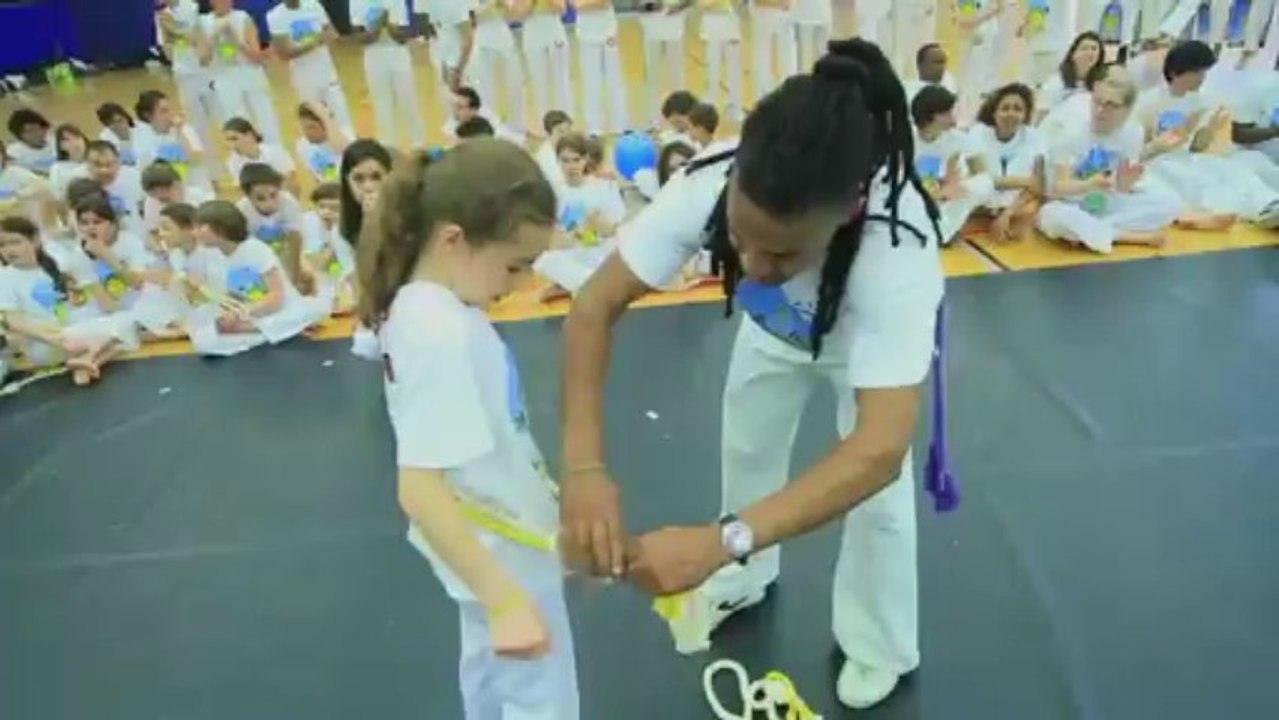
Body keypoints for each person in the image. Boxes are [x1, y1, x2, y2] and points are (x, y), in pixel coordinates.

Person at [558, 38, 942, 711]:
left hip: (859, 345)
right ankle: (742, 576)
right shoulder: (708, 182)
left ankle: (878, 642)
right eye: (740, 238)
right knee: (746, 447)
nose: (756, 266)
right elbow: (592, 308)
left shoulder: (895, 247)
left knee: (877, 504)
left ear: (847, 213)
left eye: (783, 254)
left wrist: (719, 539)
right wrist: (583, 468)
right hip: (773, 331)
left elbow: (879, 450)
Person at [354, 139, 577, 719]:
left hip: (496, 546)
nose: (521, 284)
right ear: (453, 240)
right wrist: (504, 599)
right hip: (502, 560)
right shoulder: (440, 333)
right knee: (542, 702)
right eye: (514, 265)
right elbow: (419, 488)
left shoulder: (424, 311)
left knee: (490, 681)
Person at [1134, 40, 1279, 227]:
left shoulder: (1199, 102)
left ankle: (1269, 204)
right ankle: (1244, 212)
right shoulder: (1148, 101)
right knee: (1198, 181)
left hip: (1187, 158)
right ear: (1176, 71)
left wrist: (1209, 130)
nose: (1202, 78)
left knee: (1231, 169)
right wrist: (1160, 145)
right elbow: (1136, 151)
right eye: (1197, 72)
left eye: (1204, 72)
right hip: (1157, 162)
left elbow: (1196, 147)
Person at [1036, 67, 1180, 252]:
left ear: (1127, 110)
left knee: (1169, 202)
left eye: (1111, 105)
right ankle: (1126, 236)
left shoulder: (1134, 132)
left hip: (1107, 203)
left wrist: (1125, 184)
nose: (1100, 110)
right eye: (1097, 101)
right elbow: (1057, 189)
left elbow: (1120, 187)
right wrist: (1088, 185)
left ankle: (1091, 232)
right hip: (1071, 203)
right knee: (1053, 217)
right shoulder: (1069, 132)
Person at [0, 216, 138, 385]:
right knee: (121, 333)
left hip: (73, 333)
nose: (8, 250)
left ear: (35, 240)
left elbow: (76, 304)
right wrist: (58, 340)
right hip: (46, 344)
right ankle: (90, 358)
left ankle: (88, 362)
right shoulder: (4, 277)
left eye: (15, 242)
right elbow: (14, 322)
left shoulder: (56, 264)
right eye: (2, 245)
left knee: (126, 321)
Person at [186, 200, 325, 356]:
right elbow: (238, 294)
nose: (194, 233)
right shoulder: (213, 254)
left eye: (200, 227)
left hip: (279, 312)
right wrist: (231, 315)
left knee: (212, 340)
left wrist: (242, 314)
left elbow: (276, 297)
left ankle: (274, 331)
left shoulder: (254, 249)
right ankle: (267, 333)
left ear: (221, 228)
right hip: (253, 315)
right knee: (203, 340)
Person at [533, 132, 627, 295]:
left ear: (585, 159)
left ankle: (576, 285)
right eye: (565, 160)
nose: (571, 166)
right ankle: (589, 284)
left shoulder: (605, 187)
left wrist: (598, 226)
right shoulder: (553, 193)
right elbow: (553, 241)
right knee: (542, 261)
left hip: (601, 251)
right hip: (573, 253)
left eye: (576, 160)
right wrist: (573, 236)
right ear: (557, 161)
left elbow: (617, 230)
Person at [912, 85, 996, 243]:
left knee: (981, 185)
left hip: (946, 198)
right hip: (914, 198)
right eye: (946, 113)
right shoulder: (906, 139)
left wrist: (957, 186)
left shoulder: (957, 138)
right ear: (929, 115)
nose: (953, 120)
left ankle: (941, 232)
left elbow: (984, 176)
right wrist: (938, 190)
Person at [967, 83, 1046, 242]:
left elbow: (1037, 186)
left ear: (1025, 115)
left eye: (1018, 109)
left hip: (1016, 210)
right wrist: (1025, 181)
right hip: (978, 211)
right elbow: (983, 181)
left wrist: (1008, 214)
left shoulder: (1034, 137)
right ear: (994, 112)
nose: (1011, 113)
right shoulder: (976, 133)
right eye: (1005, 108)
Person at [338, 139, 394, 360]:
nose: (368, 186)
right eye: (358, 179)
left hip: (413, 298)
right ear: (347, 181)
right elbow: (361, 285)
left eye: (376, 177)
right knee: (365, 344)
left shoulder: (409, 215)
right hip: (378, 303)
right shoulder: (342, 231)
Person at [198, 0, 283, 143]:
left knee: (265, 118)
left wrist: (235, 40)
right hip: (225, 79)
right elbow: (203, 60)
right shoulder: (203, 22)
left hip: (250, 73)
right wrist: (214, 38)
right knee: (236, 122)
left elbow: (257, 57)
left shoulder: (243, 17)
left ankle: (273, 149)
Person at [154, 0, 220, 179]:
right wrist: (172, 37)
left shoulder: (194, 7)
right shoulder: (161, 16)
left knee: (224, 119)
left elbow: (201, 39)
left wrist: (177, 30)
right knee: (198, 126)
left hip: (209, 73)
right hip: (184, 75)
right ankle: (212, 175)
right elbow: (167, 51)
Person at [266, 0, 353, 130]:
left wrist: (329, 38)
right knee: (315, 122)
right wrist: (316, 41)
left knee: (342, 118)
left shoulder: (314, 5)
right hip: (304, 80)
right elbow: (285, 53)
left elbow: (331, 32)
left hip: (328, 75)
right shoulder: (275, 16)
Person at [348, 0, 425, 148]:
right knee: (382, 106)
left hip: (399, 54)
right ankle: (389, 148)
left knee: (409, 101)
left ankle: (419, 145)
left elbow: (403, 37)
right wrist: (379, 22)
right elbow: (361, 39)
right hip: (373, 57)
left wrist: (389, 25)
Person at [235, 163, 310, 294]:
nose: (269, 203)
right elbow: (248, 252)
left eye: (273, 195)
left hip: (287, 250)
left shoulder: (288, 202)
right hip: (259, 257)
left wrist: (295, 276)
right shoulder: (241, 211)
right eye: (260, 198)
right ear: (247, 195)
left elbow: (295, 239)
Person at [133, 89, 213, 193]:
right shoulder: (141, 139)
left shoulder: (184, 129)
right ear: (147, 115)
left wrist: (180, 133)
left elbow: (196, 159)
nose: (170, 115)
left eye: (169, 110)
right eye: (163, 111)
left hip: (196, 189)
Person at [470, 0, 526, 133]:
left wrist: (505, 6)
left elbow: (513, 17)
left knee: (515, 83)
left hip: (503, 38)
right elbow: (470, 17)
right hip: (481, 42)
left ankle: (517, 126)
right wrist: (492, 3)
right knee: (484, 88)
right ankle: (489, 126)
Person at [575, 0, 630, 134]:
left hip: (608, 32)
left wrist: (585, 4)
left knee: (615, 80)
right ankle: (593, 128)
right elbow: (576, 5)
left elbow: (604, 3)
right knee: (591, 82)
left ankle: (621, 126)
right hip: (586, 33)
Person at [521, 0, 573, 124]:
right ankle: (544, 122)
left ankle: (565, 120)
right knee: (539, 81)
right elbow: (518, 15)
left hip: (554, 31)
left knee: (561, 79)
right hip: (531, 33)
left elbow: (561, 9)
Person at [953, 0, 1007, 121]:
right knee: (970, 82)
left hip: (990, 43)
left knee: (985, 82)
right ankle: (964, 117)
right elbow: (965, 20)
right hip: (974, 43)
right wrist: (991, 12)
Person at [639, 0, 689, 125]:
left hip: (674, 22)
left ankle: (680, 114)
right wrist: (650, 6)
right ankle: (653, 118)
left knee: (676, 73)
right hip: (652, 22)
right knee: (652, 74)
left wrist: (679, 6)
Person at [1036, 32, 1104, 123]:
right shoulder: (1056, 82)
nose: (1089, 53)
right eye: (1084, 48)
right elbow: (1042, 115)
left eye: (1094, 49)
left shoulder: (1101, 84)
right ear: (1073, 54)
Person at [223, 118, 298, 195]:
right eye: (228, 140)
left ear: (249, 135)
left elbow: (290, 181)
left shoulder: (274, 152)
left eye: (234, 139)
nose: (231, 145)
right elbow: (243, 190)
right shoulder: (233, 162)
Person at [85, 141, 145, 235]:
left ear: (118, 163)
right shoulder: (81, 185)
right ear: (88, 165)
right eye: (98, 165)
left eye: (109, 164)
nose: (104, 170)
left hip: (135, 236)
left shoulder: (136, 178)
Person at [700, 0, 744, 123]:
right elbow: (704, 4)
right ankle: (709, 108)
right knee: (712, 68)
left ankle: (734, 107)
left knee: (733, 69)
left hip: (730, 21)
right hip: (711, 22)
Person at [750, 0, 798, 104]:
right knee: (764, 56)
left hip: (781, 13)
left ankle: (788, 96)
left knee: (786, 58)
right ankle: (764, 97)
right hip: (765, 12)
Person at [294, 102, 353, 184]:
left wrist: (325, 117)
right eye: (303, 128)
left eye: (311, 127)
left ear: (326, 124)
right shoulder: (302, 145)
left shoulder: (345, 133)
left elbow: (343, 149)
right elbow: (325, 177)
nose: (307, 133)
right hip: (332, 188)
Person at [6, 109, 55, 175]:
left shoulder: (56, 141)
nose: (37, 133)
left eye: (39, 128)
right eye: (30, 131)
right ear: (19, 135)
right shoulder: (14, 153)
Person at [96, 103, 138, 167]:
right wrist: (124, 139)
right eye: (112, 123)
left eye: (120, 120)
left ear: (126, 117)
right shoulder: (105, 138)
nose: (119, 126)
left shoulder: (141, 127)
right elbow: (128, 163)